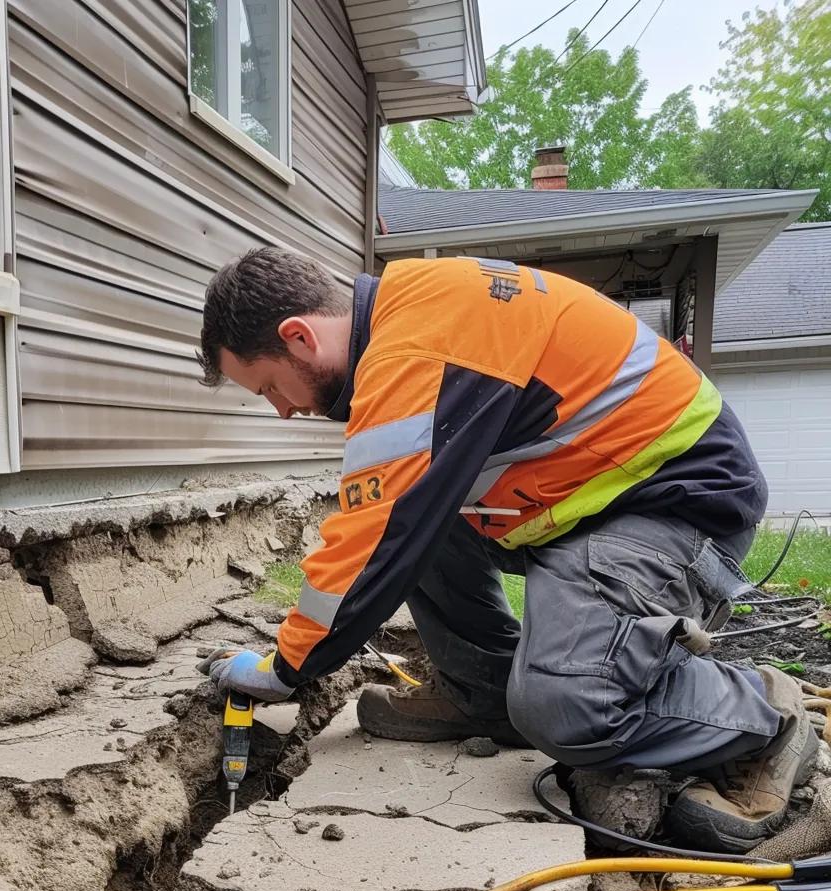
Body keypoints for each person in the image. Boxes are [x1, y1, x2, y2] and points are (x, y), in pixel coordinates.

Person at [194, 247, 816, 854]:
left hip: (671, 501)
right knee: (417, 517)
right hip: (585, 496)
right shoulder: (411, 317)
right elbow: (394, 511)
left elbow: (371, 537)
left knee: (566, 709)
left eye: (271, 387)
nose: (284, 411)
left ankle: (768, 718)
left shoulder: (415, 346)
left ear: (300, 337)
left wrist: (283, 668)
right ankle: (484, 696)